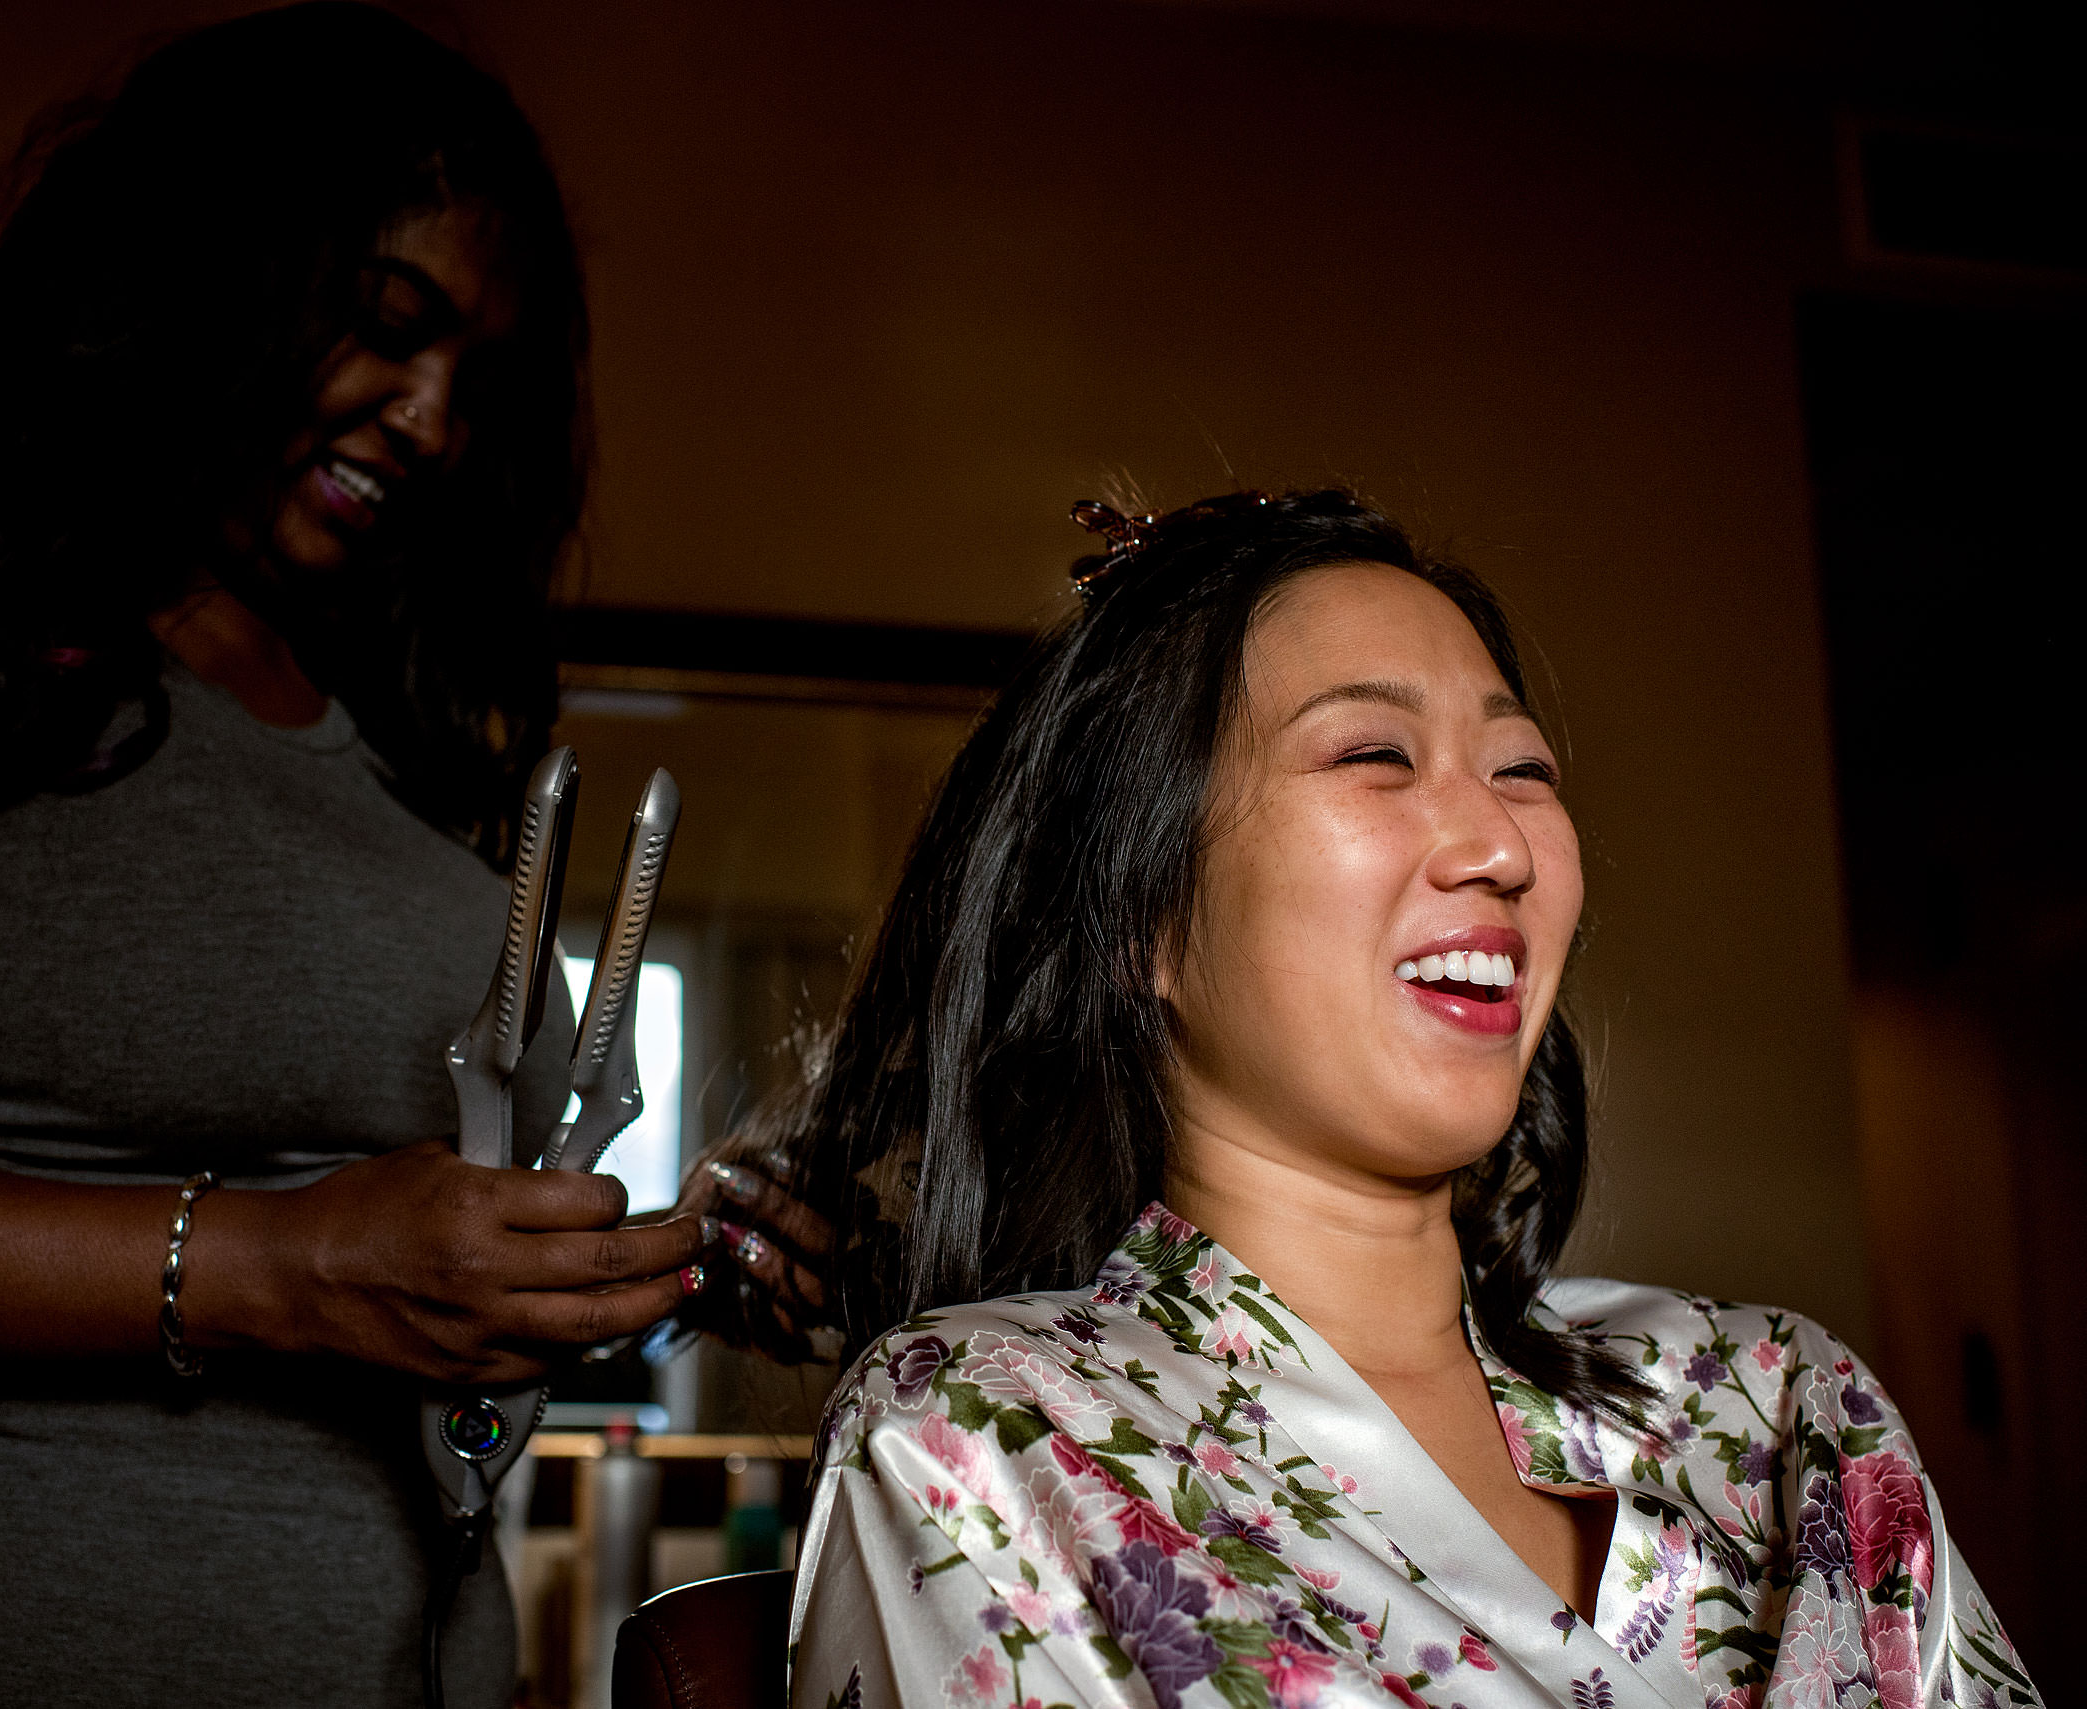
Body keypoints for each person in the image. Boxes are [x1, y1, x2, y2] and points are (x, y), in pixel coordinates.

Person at [0, 8, 726, 1704]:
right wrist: (270, 1265)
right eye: (392, 329)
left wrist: (673, 1259)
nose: (430, 420)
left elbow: (410, 1241)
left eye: (481, 382)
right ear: (208, 266)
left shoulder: (387, 727)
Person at [775, 493, 2035, 1707]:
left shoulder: (1789, 1400)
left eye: (1523, 767)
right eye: (1375, 753)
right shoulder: (976, 1434)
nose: (1498, 843)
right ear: (1140, 917)